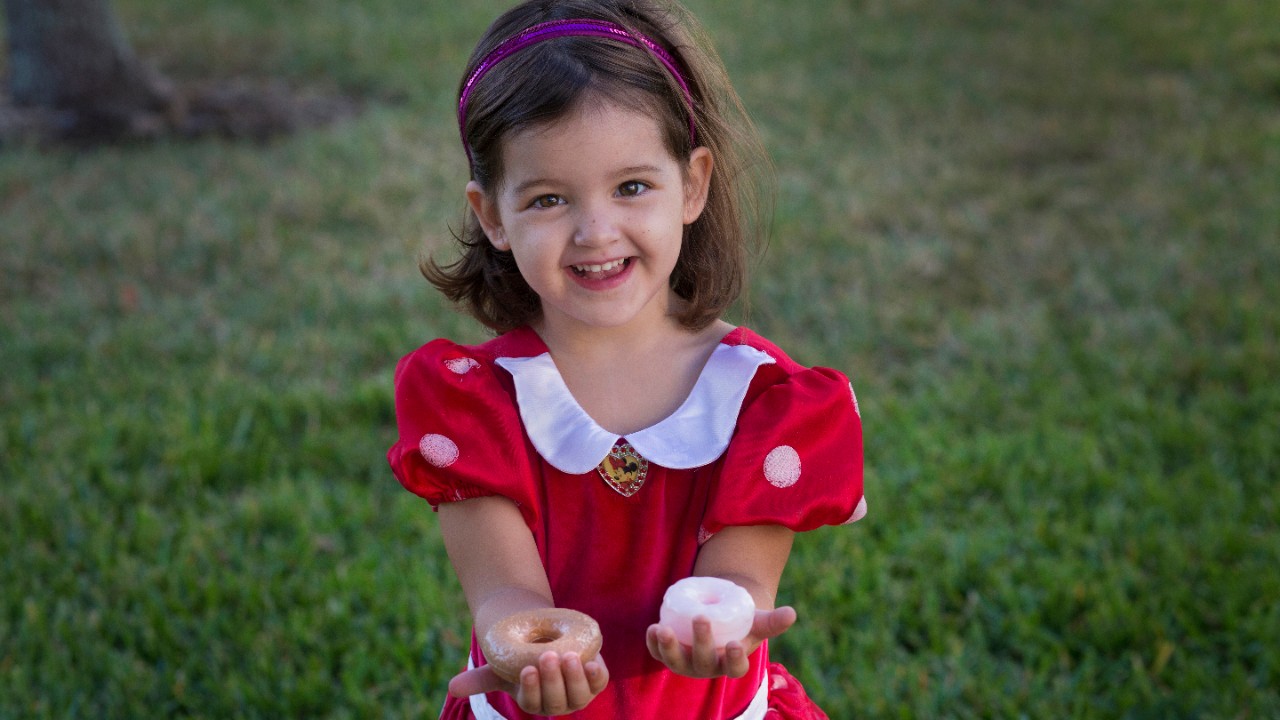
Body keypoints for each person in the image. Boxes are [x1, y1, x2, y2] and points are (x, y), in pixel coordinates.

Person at [387, 1, 867, 717]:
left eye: (632, 187)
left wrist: (717, 627)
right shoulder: (474, 400)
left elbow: (738, 577)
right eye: (549, 198)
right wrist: (526, 655)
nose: (595, 230)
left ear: (693, 186)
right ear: (492, 216)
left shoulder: (763, 399)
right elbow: (504, 592)